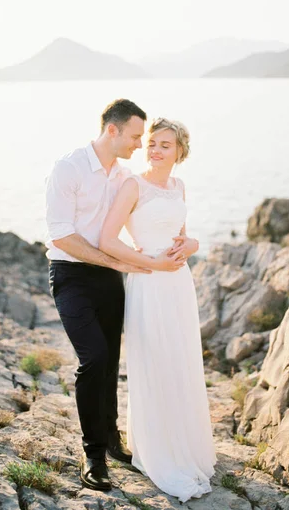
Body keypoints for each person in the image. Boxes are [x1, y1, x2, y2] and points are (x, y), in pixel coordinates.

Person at [46, 100, 187, 492]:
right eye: (136, 136)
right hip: (71, 275)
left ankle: (111, 439)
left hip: (110, 277)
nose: (141, 144)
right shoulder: (68, 168)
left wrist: (179, 243)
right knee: (94, 359)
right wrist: (117, 261)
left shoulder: (125, 176)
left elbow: (142, 220)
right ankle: (93, 456)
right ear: (113, 130)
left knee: (111, 363)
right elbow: (60, 235)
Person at [99, 117, 216, 503]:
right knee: (155, 362)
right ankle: (159, 452)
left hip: (179, 285)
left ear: (180, 150)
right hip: (149, 282)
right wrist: (149, 261)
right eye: (152, 143)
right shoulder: (133, 185)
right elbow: (107, 239)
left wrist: (193, 244)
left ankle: (185, 444)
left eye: (165, 145)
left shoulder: (179, 185)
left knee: (181, 362)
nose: (155, 150)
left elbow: (183, 236)